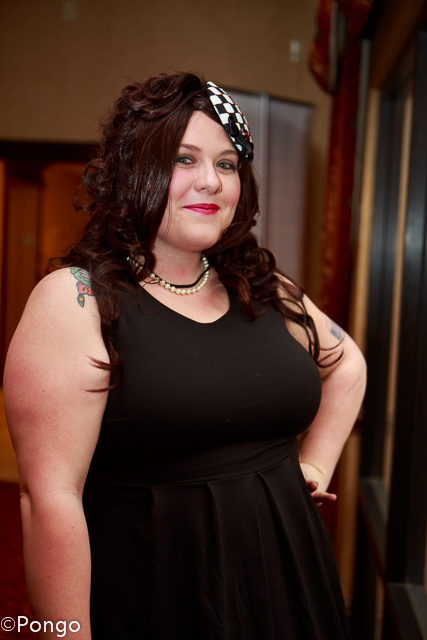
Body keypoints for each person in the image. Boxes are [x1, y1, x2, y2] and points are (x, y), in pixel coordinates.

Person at [4, 71, 366, 639]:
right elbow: (50, 500)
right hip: (159, 595)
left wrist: (315, 465)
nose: (212, 181)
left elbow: (347, 364)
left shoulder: (264, 287)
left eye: (227, 164)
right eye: (183, 159)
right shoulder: (76, 302)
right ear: (132, 171)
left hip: (293, 582)